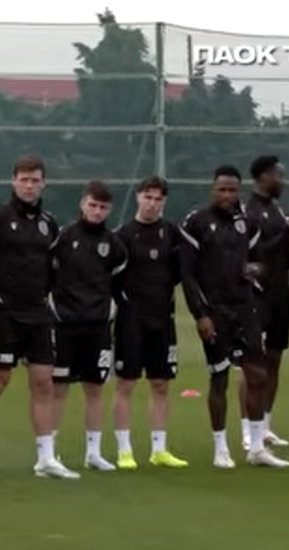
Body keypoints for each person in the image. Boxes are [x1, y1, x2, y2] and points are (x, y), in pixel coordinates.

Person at [0, 155, 74, 479]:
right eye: (24, 180)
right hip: (2, 313)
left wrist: (46, 294)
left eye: (35, 180)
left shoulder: (49, 224)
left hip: (37, 313)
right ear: (13, 181)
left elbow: (54, 266)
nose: (29, 186)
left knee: (43, 382)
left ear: (43, 184)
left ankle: (45, 458)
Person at [178, 165, 289, 468]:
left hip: (245, 308)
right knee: (219, 378)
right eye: (222, 190)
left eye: (232, 190)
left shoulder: (247, 224)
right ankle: (220, 449)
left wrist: (253, 271)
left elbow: (258, 263)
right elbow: (187, 273)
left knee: (257, 375)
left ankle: (256, 447)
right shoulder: (196, 222)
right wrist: (201, 314)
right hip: (214, 311)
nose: (227, 195)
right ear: (213, 189)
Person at [49, 181, 127, 473]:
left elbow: (118, 284)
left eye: (103, 207)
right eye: (92, 205)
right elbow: (48, 275)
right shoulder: (63, 238)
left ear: (109, 210)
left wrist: (107, 311)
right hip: (64, 325)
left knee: (95, 388)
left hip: (97, 326)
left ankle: (93, 453)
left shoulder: (115, 245)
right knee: (59, 389)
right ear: (83, 204)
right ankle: (48, 452)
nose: (97, 211)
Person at [111, 177, 188, 469]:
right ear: (138, 197)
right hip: (131, 318)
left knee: (161, 383)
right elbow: (113, 279)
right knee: (126, 383)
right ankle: (124, 450)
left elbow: (179, 272)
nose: (152, 204)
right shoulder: (122, 235)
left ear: (163, 202)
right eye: (148, 197)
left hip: (162, 317)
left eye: (158, 199)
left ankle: (159, 449)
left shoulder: (171, 233)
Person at [238, 156, 289, 450]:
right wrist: (285, 236)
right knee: (252, 365)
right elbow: (254, 254)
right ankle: (247, 430)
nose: (282, 180)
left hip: (280, 292)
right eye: (277, 174)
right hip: (257, 295)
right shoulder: (248, 211)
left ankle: (265, 426)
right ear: (263, 176)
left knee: (274, 359)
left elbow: (286, 258)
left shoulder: (276, 209)